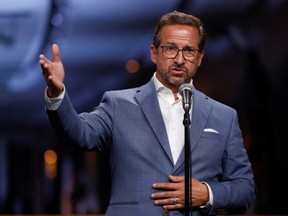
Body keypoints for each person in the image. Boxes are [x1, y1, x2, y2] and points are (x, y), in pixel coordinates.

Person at [39, 10, 256, 216]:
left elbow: (245, 188)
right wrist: (57, 93)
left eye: (189, 51)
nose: (180, 60)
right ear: (154, 53)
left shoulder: (224, 116)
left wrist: (208, 193)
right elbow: (80, 135)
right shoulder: (119, 104)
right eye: (170, 48)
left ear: (199, 58)